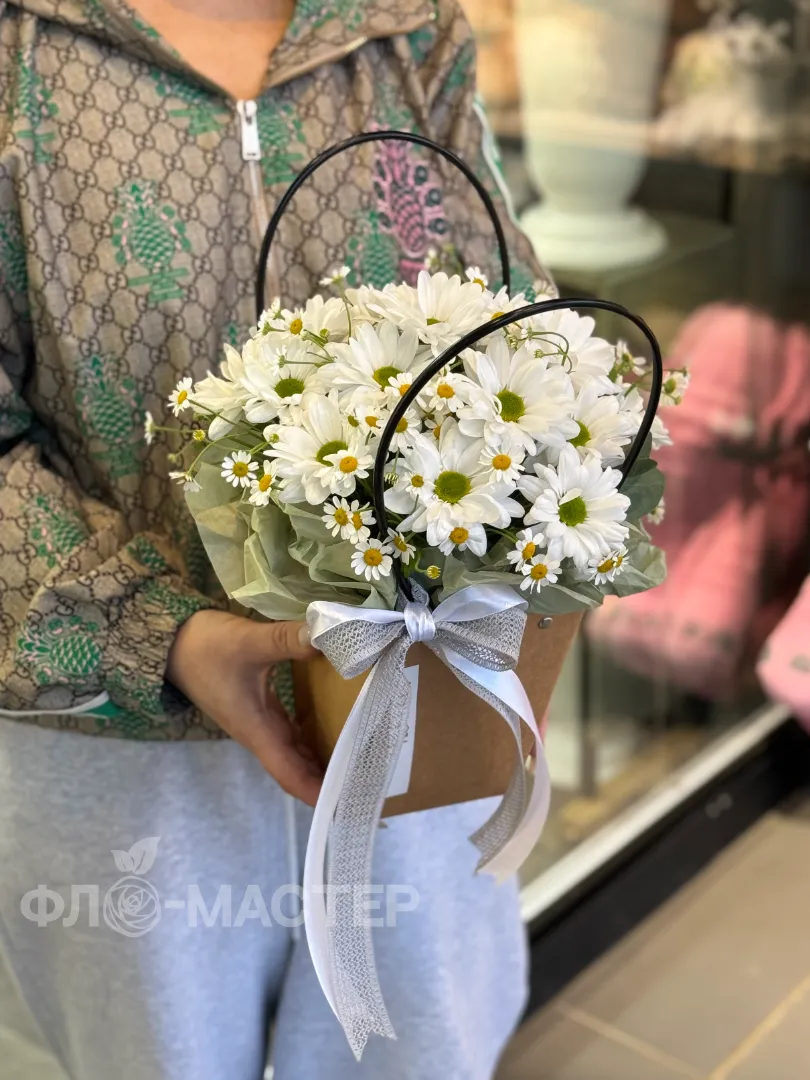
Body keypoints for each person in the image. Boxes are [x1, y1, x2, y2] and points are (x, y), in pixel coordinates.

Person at [0, 1, 551, 1077]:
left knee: (421, 1048)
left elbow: (512, 324)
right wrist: (161, 633)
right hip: (117, 756)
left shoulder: (408, 28)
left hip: (412, 716)